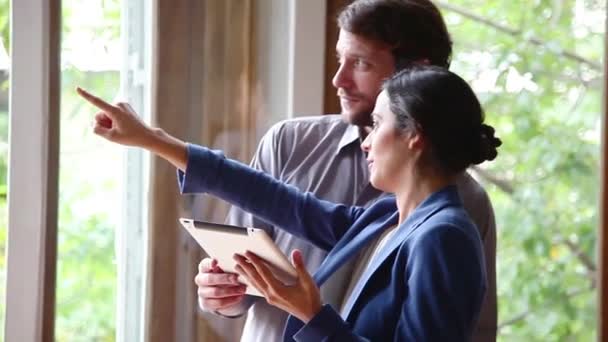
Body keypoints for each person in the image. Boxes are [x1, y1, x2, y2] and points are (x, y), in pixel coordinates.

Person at [76, 64, 501, 341]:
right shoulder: (386, 216)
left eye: (376, 125)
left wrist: (313, 314)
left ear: (415, 135)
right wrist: (153, 140)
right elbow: (278, 199)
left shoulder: (445, 236)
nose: (366, 141)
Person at [197, 1, 497, 341]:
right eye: (341, 58)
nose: (338, 79)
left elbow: (471, 331)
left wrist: (314, 316)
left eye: (361, 63)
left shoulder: (460, 214)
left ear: (413, 74)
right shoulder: (290, 145)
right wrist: (222, 292)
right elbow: (275, 214)